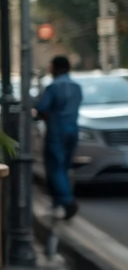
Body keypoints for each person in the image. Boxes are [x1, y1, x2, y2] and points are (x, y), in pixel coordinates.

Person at [35, 55, 82, 220]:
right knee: (64, 167)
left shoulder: (53, 87)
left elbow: (41, 108)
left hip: (56, 132)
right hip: (73, 131)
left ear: (55, 68)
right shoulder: (77, 87)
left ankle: (67, 201)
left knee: (55, 168)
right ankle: (58, 203)